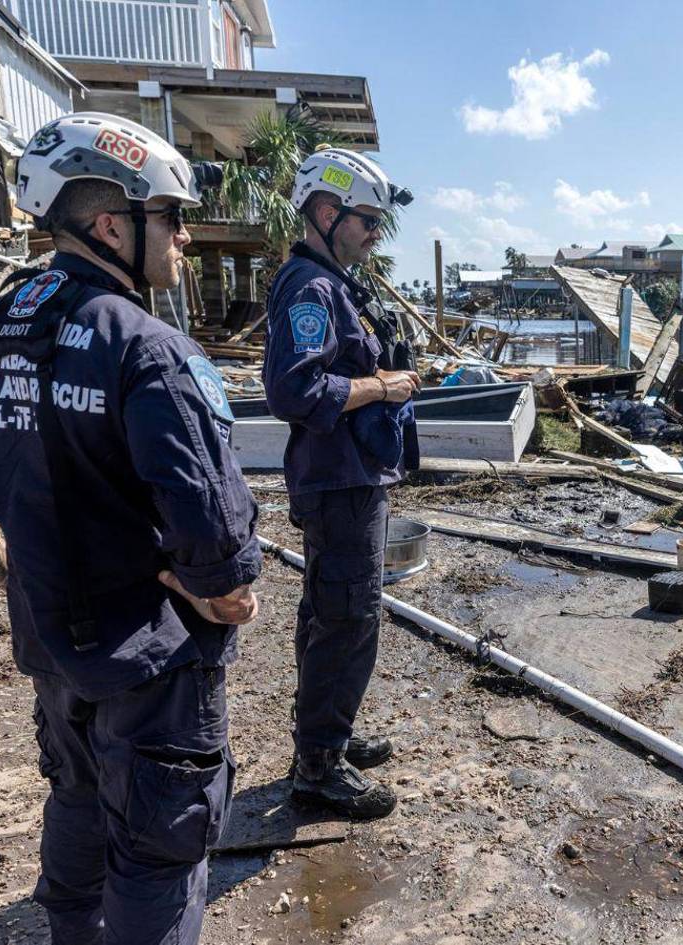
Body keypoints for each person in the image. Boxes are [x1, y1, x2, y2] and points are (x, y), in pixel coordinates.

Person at [0, 112, 261, 944]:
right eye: (171, 216)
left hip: (52, 642)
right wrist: (224, 587)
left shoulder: (5, 322)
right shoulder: (147, 348)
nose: (183, 236)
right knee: (159, 856)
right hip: (147, 662)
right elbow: (214, 527)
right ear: (111, 225)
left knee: (75, 797)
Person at [263, 147, 417, 819]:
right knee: (347, 618)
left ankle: (330, 732)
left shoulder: (331, 282)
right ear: (327, 213)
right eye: (367, 222)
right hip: (339, 483)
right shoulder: (312, 289)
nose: (375, 235)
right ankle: (319, 765)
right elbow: (294, 389)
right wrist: (383, 384)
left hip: (353, 479)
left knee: (335, 614)